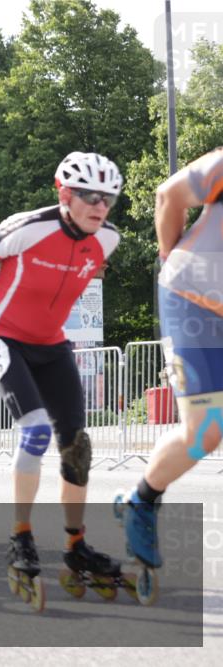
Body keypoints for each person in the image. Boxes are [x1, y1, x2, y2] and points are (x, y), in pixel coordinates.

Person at [0, 152, 123, 611]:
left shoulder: (107, 240)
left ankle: (75, 544)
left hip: (52, 344)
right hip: (1, 334)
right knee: (34, 430)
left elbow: (82, 271)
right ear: (65, 195)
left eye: (108, 198)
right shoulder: (30, 226)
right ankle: (21, 537)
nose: (100, 206)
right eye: (90, 196)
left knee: (77, 444)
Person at [117, 147, 223, 593]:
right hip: (190, 301)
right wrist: (171, 257)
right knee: (206, 430)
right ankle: (141, 501)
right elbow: (168, 196)